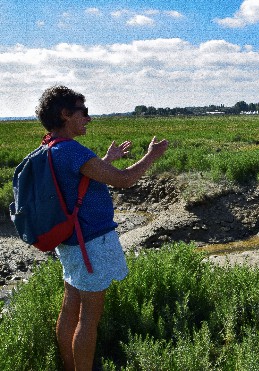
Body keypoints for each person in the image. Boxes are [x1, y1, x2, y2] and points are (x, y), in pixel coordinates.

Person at [35, 85, 169, 370]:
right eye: (84, 111)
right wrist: (152, 155)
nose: (88, 118)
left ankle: (69, 366)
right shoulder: (72, 151)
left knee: (70, 306)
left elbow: (77, 182)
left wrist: (106, 161)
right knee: (89, 318)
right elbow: (124, 180)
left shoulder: (50, 147)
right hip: (89, 244)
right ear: (65, 114)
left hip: (70, 242)